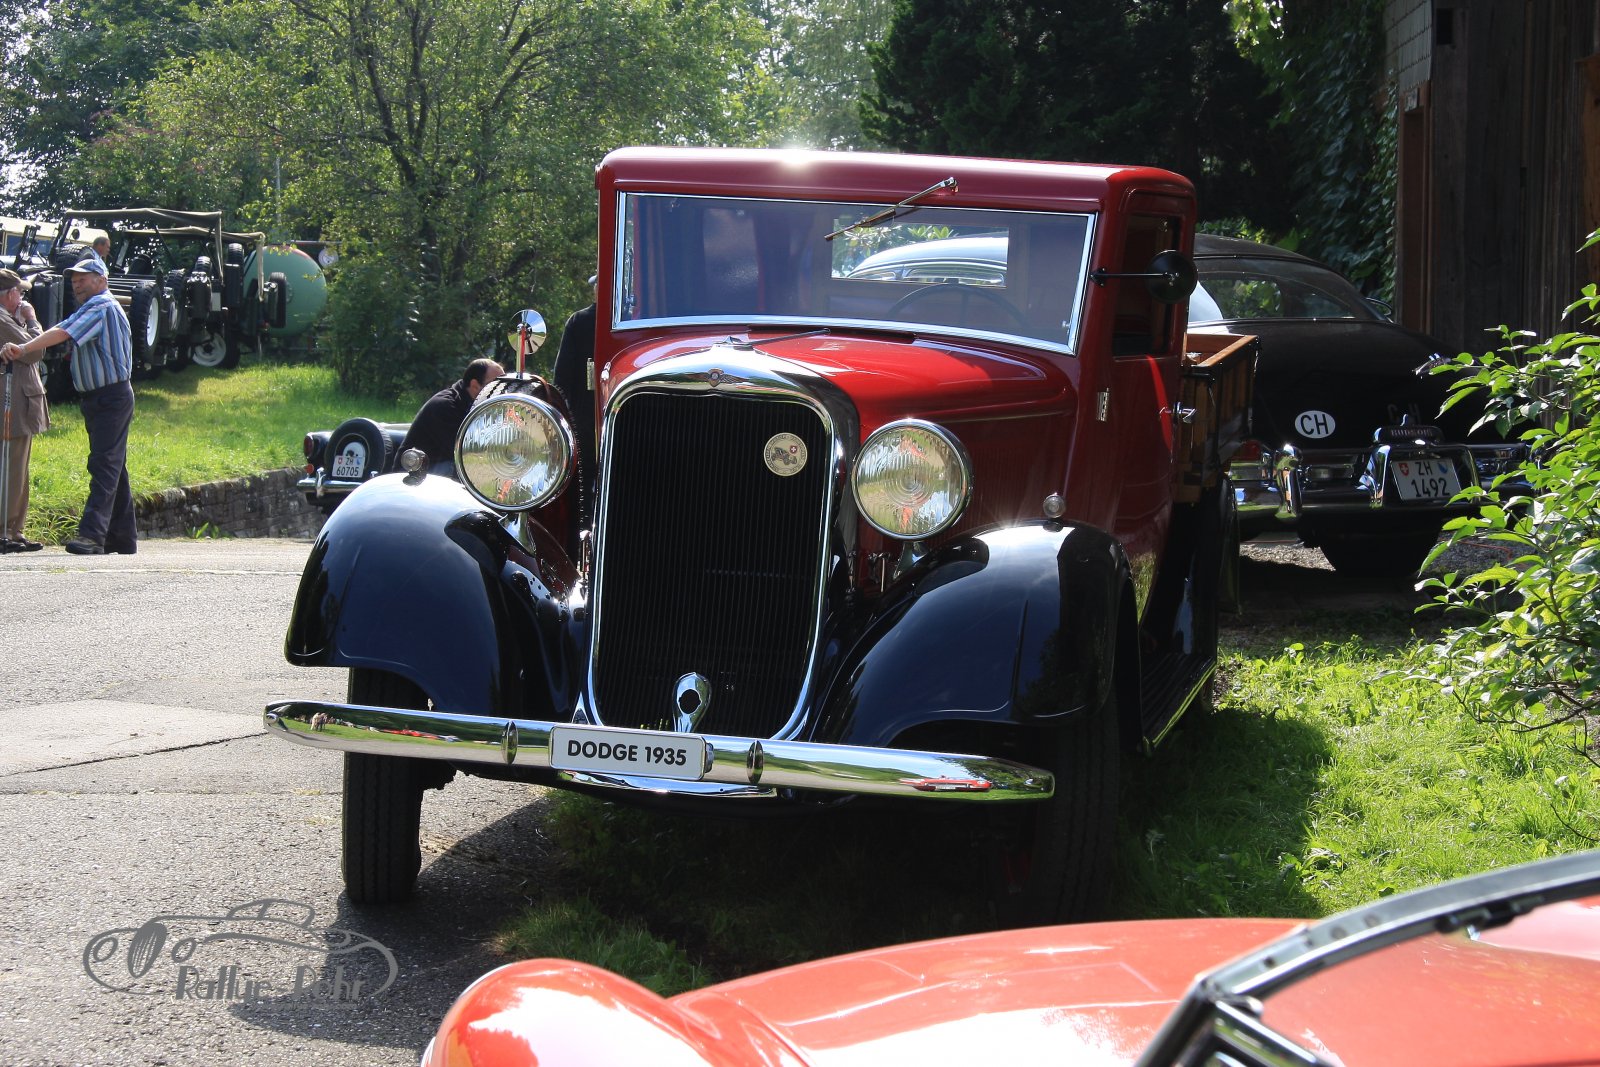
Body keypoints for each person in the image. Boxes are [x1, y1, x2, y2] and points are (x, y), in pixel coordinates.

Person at [0, 255, 136, 555]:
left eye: (83, 280)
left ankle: (92, 536)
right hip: (101, 397)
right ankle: (122, 538)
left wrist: (23, 347)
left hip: (110, 397)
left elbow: (63, 332)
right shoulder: (91, 306)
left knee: (104, 464)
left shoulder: (101, 306)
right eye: (74, 281)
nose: (77, 285)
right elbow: (64, 326)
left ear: (101, 280)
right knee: (113, 465)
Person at [0, 269, 46, 552]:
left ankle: (14, 530)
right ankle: (6, 530)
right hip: (12, 402)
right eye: (20, 292)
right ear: (9, 294)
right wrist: (31, 319)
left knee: (18, 467)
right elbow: (35, 350)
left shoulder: (7, 317)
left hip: (20, 401)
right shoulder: (2, 319)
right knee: (12, 466)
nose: (22, 298)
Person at [399, 357, 504, 476]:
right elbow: (463, 452)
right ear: (475, 385)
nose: (502, 391)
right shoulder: (445, 406)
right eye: (496, 386)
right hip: (414, 473)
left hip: (439, 465)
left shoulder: (475, 405)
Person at [551, 279, 597, 547]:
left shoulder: (579, 322)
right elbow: (563, 379)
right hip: (584, 415)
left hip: (586, 416)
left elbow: (562, 378)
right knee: (582, 480)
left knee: (584, 480)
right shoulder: (579, 322)